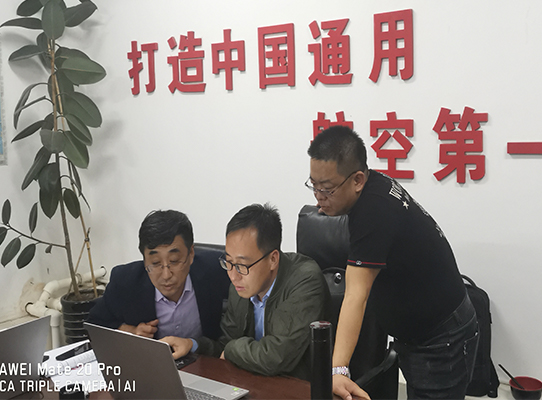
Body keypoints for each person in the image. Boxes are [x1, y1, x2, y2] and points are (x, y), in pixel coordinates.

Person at [306, 126, 479, 400]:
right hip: (417, 333)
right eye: (313, 185)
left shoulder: (374, 211)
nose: (318, 196)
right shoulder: (370, 187)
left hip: (441, 338)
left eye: (326, 189)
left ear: (357, 180)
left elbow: (356, 294)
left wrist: (338, 370)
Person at [163, 203, 330, 381]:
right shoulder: (240, 285)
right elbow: (225, 345)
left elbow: (276, 357)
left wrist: (232, 349)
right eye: (228, 262)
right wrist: (192, 344)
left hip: (296, 387)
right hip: (252, 382)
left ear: (273, 259)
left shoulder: (304, 280)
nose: (233, 276)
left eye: (242, 265)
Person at [87, 210, 230, 342]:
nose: (166, 275)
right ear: (144, 260)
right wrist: (131, 331)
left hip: (202, 358)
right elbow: (94, 324)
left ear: (191, 253)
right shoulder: (125, 281)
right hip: (150, 359)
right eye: (155, 263)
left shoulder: (217, 269)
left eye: (174, 261)